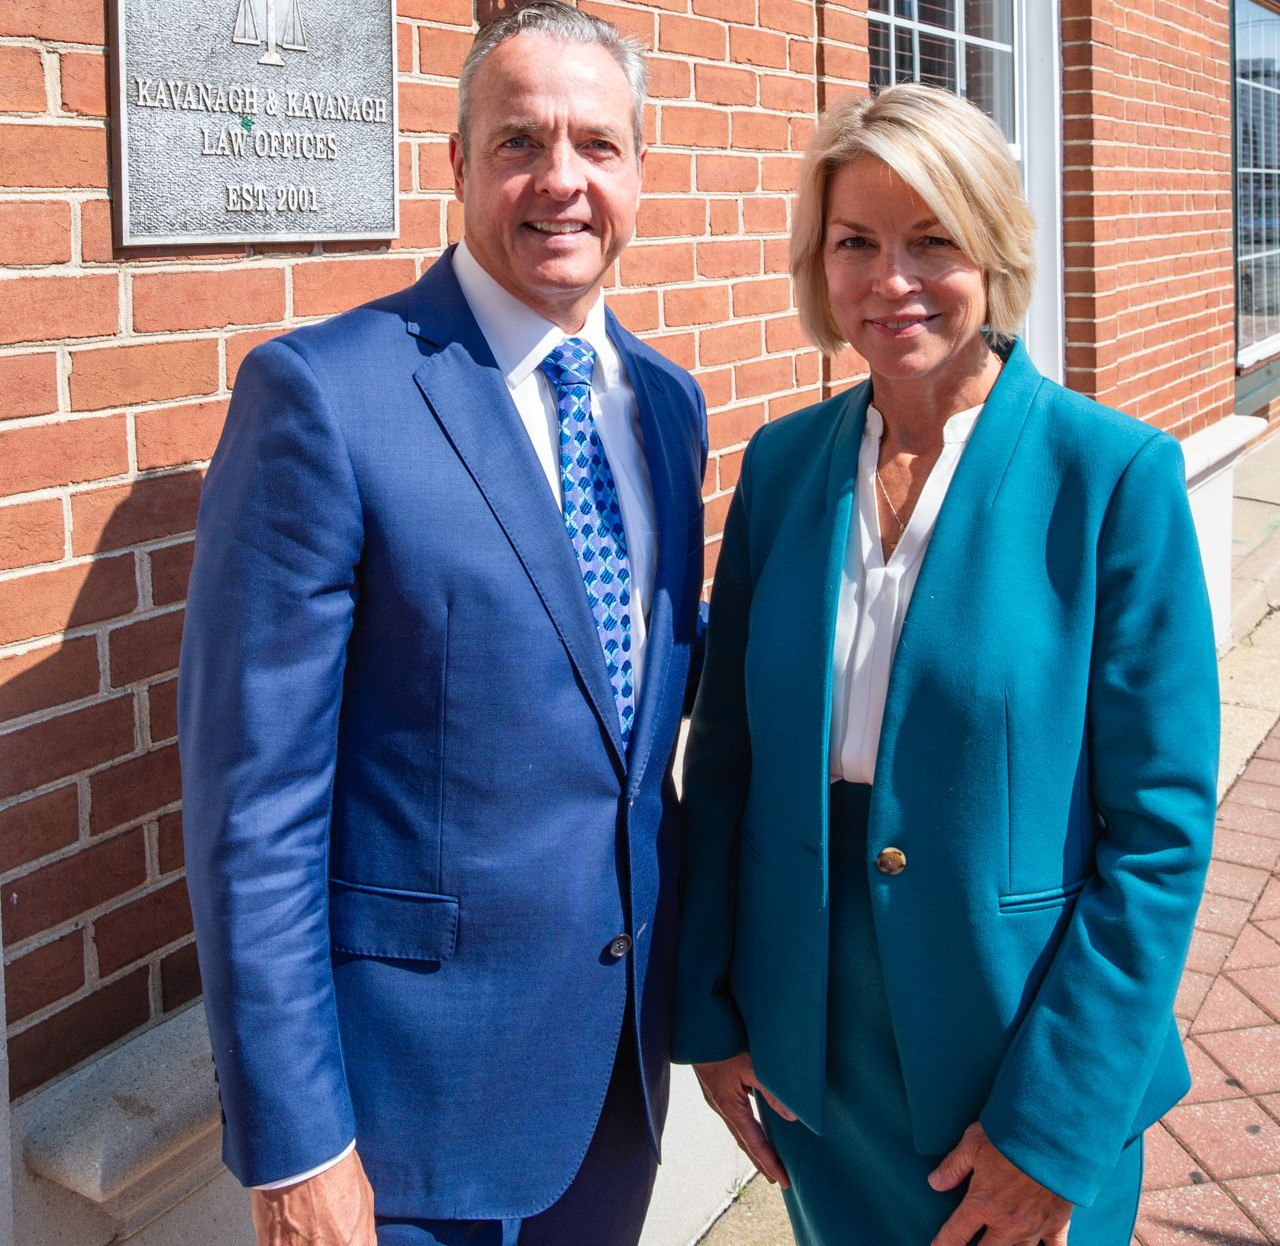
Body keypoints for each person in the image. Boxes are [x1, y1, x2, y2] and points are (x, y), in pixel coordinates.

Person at [178, 5, 707, 1244]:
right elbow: (253, 805)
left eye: (596, 144)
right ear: (458, 164)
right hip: (405, 1130)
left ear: (639, 170)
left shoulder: (668, 408)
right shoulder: (323, 394)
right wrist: (296, 1143)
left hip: (612, 1088)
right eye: (519, 141)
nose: (560, 180)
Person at [672, 83, 1218, 1246]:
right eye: (854, 243)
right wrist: (709, 1015)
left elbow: (1160, 832)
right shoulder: (779, 469)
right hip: (811, 1052)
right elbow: (724, 764)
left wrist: (1053, 1124)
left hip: (1016, 1045)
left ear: (993, 251)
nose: (890, 280)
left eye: (931, 240)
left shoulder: (1112, 477)